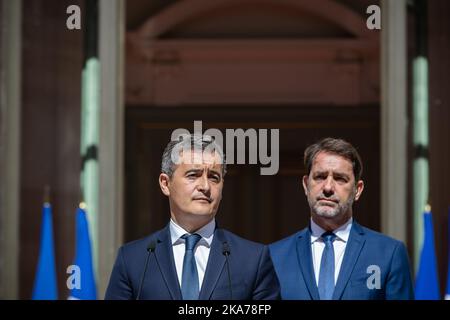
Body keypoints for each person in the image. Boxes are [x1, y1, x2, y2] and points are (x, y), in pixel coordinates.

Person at [105, 134, 280, 300]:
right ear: (165, 183)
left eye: (214, 177)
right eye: (193, 175)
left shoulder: (252, 259)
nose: (205, 186)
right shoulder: (133, 259)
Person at [269, 137, 414, 300]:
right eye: (320, 177)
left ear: (357, 190)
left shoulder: (388, 254)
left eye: (340, 178)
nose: (328, 187)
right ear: (305, 185)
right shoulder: (274, 257)